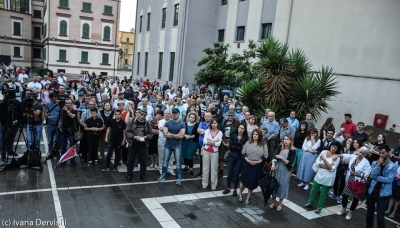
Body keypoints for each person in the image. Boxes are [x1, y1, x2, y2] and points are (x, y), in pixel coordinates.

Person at [334, 146, 371, 220]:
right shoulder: (353, 157)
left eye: (363, 153)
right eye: (360, 152)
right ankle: (343, 209)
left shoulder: (366, 162)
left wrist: (356, 174)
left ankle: (350, 212)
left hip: (359, 182)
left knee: (355, 198)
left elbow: (367, 174)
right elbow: (344, 156)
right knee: (345, 194)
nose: (360, 154)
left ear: (365, 154)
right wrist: (337, 155)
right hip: (350, 180)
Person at [304, 141, 342, 214]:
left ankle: (319, 208)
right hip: (319, 174)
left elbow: (331, 168)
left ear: (337, 149)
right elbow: (318, 162)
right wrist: (327, 166)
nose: (333, 148)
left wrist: (324, 160)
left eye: (335, 148)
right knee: (313, 190)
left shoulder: (337, 158)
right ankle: (310, 203)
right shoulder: (324, 152)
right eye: (332, 146)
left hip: (328, 177)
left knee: (323, 194)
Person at [366, 145, 397, 228]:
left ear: (388, 153)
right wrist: (378, 165)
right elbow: (372, 175)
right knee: (369, 213)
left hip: (383, 193)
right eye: (380, 153)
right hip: (372, 190)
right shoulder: (375, 163)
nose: (381, 155)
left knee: (380, 216)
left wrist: (375, 178)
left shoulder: (393, 166)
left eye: (383, 153)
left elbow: (389, 180)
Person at [238, 129, 268, 204]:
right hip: (247, 164)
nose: (255, 136)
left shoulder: (263, 144)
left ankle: (248, 197)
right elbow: (243, 152)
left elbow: (266, 155)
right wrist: (248, 160)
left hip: (257, 166)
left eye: (256, 134)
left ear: (259, 135)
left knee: (252, 182)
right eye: (254, 134)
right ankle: (240, 194)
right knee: (244, 181)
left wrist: (258, 161)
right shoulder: (248, 143)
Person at [157, 108, 186, 185]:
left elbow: (181, 136)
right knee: (165, 161)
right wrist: (176, 135)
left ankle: (179, 178)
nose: (174, 114)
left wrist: (171, 134)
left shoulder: (182, 124)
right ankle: (163, 175)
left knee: (178, 163)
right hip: (168, 144)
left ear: (179, 113)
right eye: (173, 113)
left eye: (175, 113)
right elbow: (165, 135)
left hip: (177, 145)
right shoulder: (167, 123)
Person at [125, 108, 153, 182]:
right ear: (138, 114)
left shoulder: (147, 123)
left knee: (143, 161)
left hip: (143, 145)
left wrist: (146, 137)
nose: (142, 116)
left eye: (144, 115)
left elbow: (151, 133)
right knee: (131, 160)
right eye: (141, 114)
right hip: (133, 144)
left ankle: (143, 175)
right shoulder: (132, 122)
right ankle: (129, 174)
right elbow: (127, 132)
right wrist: (134, 137)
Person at [270, 135, 296, 211]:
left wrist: (281, 158)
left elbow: (289, 163)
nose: (286, 141)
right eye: (284, 139)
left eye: (288, 139)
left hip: (285, 170)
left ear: (291, 141)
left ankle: (280, 204)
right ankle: (273, 202)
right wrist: (273, 164)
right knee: (274, 185)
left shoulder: (293, 151)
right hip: (277, 168)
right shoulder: (279, 147)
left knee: (283, 186)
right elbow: (274, 156)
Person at [223, 124, 249, 196]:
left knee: (237, 173)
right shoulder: (233, 135)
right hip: (232, 155)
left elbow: (244, 148)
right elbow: (230, 146)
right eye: (239, 128)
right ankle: (228, 187)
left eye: (242, 128)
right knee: (230, 172)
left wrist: (236, 146)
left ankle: (235, 189)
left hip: (239, 157)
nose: (240, 129)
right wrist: (239, 146)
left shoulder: (246, 137)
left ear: (244, 130)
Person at [330, 136, 354, 201]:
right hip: (338, 165)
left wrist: (348, 149)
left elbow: (349, 157)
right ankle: (334, 193)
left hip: (345, 167)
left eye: (351, 142)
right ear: (346, 140)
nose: (349, 143)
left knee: (342, 181)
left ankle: (339, 194)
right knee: (336, 179)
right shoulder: (341, 148)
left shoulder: (351, 151)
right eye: (349, 141)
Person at [202, 118, 223, 190]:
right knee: (205, 168)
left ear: (217, 124)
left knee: (214, 168)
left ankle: (214, 184)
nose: (213, 125)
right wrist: (214, 142)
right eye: (212, 123)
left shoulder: (220, 133)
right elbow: (204, 141)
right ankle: (204, 183)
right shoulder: (207, 131)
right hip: (206, 151)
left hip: (214, 152)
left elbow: (218, 143)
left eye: (215, 123)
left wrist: (210, 141)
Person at [59, 99, 78, 165]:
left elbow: (73, 116)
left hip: (71, 131)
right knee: (63, 146)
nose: (68, 104)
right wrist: (60, 127)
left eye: (69, 103)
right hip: (63, 131)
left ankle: (72, 160)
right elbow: (60, 119)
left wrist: (66, 110)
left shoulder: (74, 111)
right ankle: (63, 159)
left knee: (72, 146)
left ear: (71, 104)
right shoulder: (62, 111)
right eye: (66, 103)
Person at [195, 112, 212, 178]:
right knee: (201, 159)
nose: (207, 117)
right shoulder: (201, 123)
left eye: (208, 116)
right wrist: (208, 132)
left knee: (209, 160)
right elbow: (198, 131)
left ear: (211, 117)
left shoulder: (213, 124)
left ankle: (209, 173)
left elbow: (212, 134)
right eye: (206, 116)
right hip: (201, 145)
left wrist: (204, 132)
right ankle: (201, 172)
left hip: (209, 145)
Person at [182, 112, 199, 176]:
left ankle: (191, 168)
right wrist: (185, 135)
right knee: (184, 154)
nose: (191, 118)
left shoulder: (197, 125)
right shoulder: (185, 124)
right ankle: (186, 167)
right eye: (190, 117)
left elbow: (197, 134)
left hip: (193, 142)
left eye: (193, 117)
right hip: (185, 141)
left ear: (195, 118)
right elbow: (182, 131)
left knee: (190, 154)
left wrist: (190, 136)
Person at [44, 93, 60, 160]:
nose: (53, 101)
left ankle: (56, 152)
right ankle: (50, 153)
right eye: (52, 100)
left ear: (56, 98)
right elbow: (45, 112)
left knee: (57, 140)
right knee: (50, 140)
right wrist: (46, 115)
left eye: (54, 99)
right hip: (50, 125)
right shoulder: (48, 104)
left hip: (57, 126)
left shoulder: (60, 104)